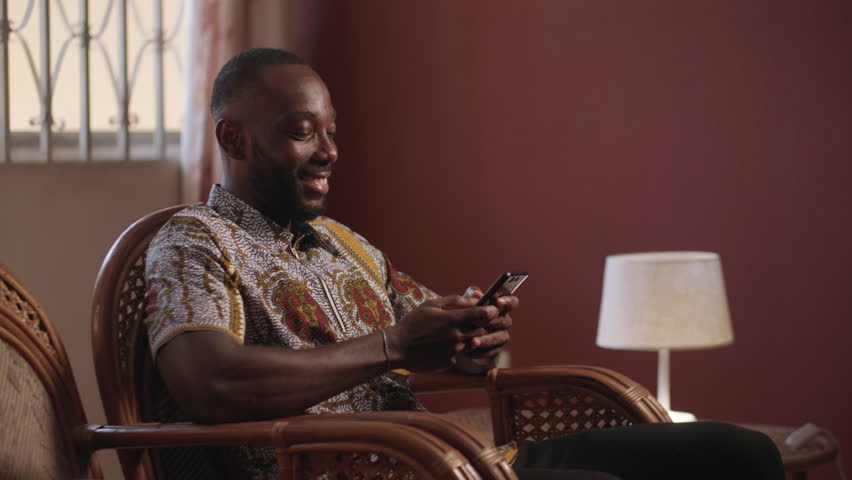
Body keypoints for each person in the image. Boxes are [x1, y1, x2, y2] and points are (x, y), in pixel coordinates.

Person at [144, 48, 784, 480]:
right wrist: (394, 343)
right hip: (372, 472)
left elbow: (434, 343)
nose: (330, 152)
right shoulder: (195, 241)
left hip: (457, 461)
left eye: (333, 131)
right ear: (233, 138)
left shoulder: (346, 244)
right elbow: (211, 385)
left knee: (738, 453)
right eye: (303, 131)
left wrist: (470, 342)